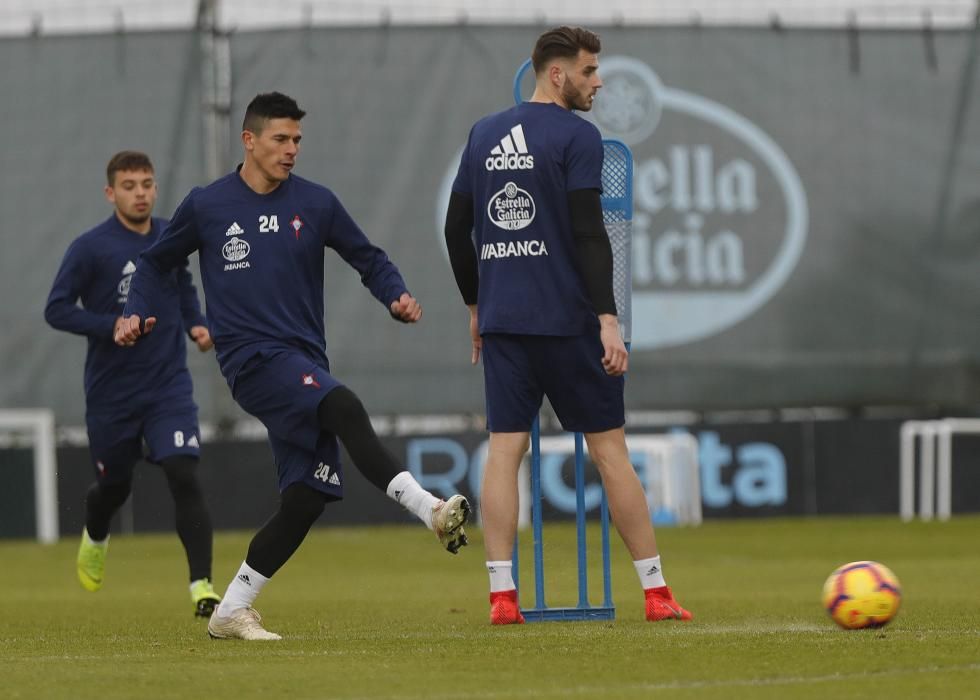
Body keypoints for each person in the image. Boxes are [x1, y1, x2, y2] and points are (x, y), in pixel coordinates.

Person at [115, 92, 471, 641]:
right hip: (252, 361)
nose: (291, 150)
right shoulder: (208, 206)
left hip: (304, 362)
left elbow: (367, 257)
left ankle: (230, 610)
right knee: (345, 407)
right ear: (249, 140)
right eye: (280, 139)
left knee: (306, 499)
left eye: (297, 140)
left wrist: (394, 295)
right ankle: (429, 510)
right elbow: (154, 263)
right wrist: (134, 312)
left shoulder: (316, 203)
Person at [443, 26, 692, 625]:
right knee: (611, 454)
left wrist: (477, 307)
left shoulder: (482, 133)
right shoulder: (578, 136)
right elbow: (588, 233)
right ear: (558, 75)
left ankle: (503, 599)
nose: (598, 82)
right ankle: (656, 595)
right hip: (568, 321)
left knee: (505, 452)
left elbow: (457, 231)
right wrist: (608, 318)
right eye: (589, 72)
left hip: (504, 321)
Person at [45, 150, 222, 618]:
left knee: (183, 471)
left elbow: (182, 283)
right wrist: (114, 325)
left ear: (155, 188)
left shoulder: (168, 235)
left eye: (146, 183)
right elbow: (56, 308)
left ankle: (203, 587)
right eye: (129, 185)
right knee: (114, 487)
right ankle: (96, 533)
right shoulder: (90, 248)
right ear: (111, 193)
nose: (139, 193)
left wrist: (196, 323)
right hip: (112, 393)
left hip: (167, 386)